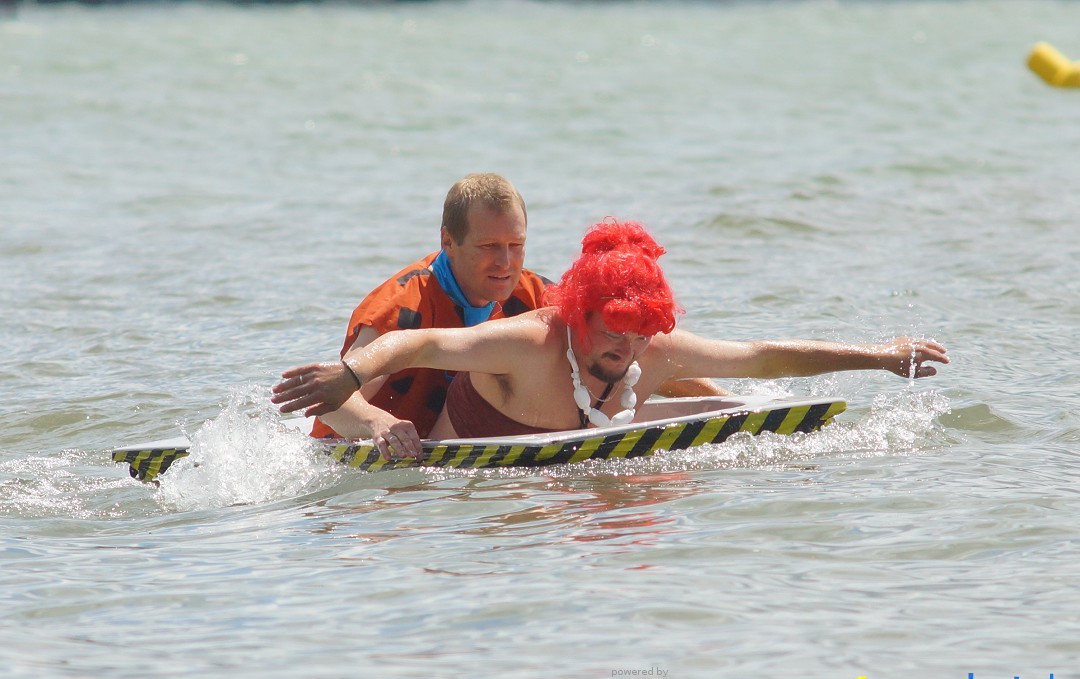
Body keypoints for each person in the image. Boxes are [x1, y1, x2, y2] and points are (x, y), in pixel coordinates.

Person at [273, 219, 948, 459]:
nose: (625, 349)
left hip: (582, 432)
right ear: (580, 313)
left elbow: (763, 353)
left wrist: (882, 359)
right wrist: (352, 378)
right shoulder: (530, 340)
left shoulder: (647, 344)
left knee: (737, 415)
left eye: (639, 335)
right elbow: (416, 348)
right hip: (463, 458)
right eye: (611, 331)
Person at [305, 173, 721, 457]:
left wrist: (719, 399)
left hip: (460, 444)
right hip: (364, 456)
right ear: (448, 241)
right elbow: (331, 404)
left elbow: (616, 347)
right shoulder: (402, 307)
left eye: (516, 245)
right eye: (489, 247)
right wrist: (379, 422)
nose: (505, 262)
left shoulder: (535, 293)